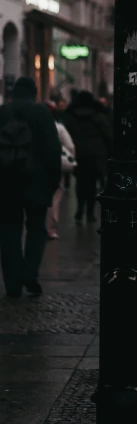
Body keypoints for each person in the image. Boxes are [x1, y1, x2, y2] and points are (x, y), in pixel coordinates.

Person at [0, 77, 61, 297]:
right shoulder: (42, 113)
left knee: (9, 231)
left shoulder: (2, 113)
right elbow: (53, 150)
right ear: (34, 93)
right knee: (37, 228)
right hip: (37, 182)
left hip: (6, 183)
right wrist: (54, 182)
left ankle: (12, 283)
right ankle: (29, 272)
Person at [61, 90, 112, 223]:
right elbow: (108, 136)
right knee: (91, 184)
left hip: (78, 154)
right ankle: (90, 212)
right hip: (95, 155)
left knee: (80, 183)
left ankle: (79, 209)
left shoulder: (71, 117)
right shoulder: (98, 117)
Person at [45, 102, 77, 240]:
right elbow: (70, 146)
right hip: (57, 166)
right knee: (55, 197)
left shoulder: (35, 127)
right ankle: (50, 227)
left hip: (39, 167)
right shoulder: (59, 128)